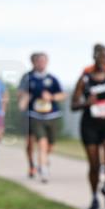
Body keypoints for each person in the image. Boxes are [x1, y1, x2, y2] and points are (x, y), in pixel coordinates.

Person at [71, 44, 105, 209]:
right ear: (94, 58)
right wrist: (86, 103)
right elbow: (73, 104)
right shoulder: (85, 78)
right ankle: (94, 197)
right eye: (100, 57)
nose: (103, 61)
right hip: (90, 124)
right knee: (94, 165)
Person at [17, 52, 65, 182]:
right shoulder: (28, 78)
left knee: (50, 145)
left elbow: (62, 94)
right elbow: (21, 94)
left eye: (44, 61)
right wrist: (24, 100)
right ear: (34, 63)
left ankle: (43, 160)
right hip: (34, 115)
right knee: (39, 143)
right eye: (39, 61)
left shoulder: (52, 78)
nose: (41, 64)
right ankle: (41, 168)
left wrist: (52, 97)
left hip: (51, 115)